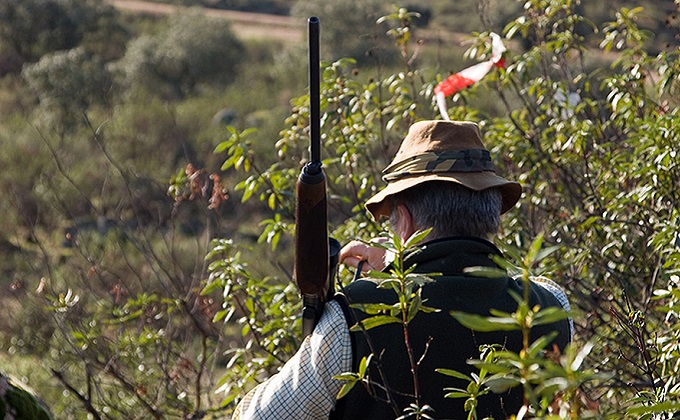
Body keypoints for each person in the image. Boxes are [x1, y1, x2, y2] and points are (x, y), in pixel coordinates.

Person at [233, 120, 572, 419]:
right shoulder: (553, 307)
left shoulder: (354, 318)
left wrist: (384, 284)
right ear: (491, 215)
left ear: (405, 221)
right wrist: (400, 268)